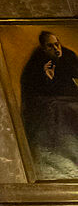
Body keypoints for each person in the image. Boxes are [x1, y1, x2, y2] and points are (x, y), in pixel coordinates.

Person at [20, 31, 78, 178]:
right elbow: (32, 90)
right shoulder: (37, 62)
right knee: (58, 110)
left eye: (57, 44)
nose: (56, 48)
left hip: (71, 97)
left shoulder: (69, 55)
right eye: (50, 46)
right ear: (44, 48)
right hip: (49, 101)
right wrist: (47, 78)